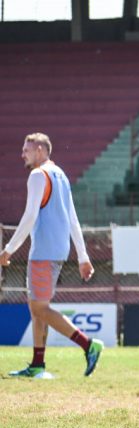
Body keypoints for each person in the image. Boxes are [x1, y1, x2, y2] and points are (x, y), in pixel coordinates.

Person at [1, 133, 101, 379]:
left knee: (40, 308)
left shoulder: (38, 175)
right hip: (58, 250)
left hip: (44, 250)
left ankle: (88, 345)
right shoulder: (60, 174)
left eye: (26, 149)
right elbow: (72, 217)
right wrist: (82, 256)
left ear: (39, 149)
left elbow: (30, 216)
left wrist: (8, 250)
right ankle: (37, 365)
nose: (22, 154)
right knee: (37, 308)